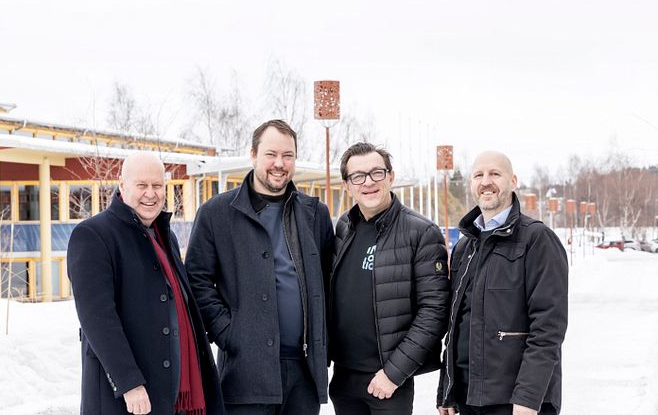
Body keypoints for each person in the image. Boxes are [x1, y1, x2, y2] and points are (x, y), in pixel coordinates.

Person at [185, 119, 335, 415]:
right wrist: (229, 333)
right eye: (271, 154)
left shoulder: (314, 214)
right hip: (244, 374)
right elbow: (196, 282)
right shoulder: (216, 214)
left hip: (303, 372)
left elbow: (330, 283)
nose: (279, 164)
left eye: (288, 155)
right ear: (253, 155)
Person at [67, 152, 224, 415]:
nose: (150, 194)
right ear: (122, 186)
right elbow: (98, 319)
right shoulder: (93, 235)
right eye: (142, 185)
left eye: (157, 185)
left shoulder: (166, 236)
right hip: (126, 399)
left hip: (172, 395)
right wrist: (130, 383)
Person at [436, 151, 568, 415]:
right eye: (478, 175)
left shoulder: (537, 239)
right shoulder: (465, 246)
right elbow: (456, 326)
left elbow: (548, 327)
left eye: (495, 174)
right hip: (467, 397)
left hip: (515, 402)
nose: (486, 181)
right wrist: (447, 390)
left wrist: (529, 397)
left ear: (513, 181)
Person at [329, 142, 450, 415]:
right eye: (358, 176)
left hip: (387, 383)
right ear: (347, 185)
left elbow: (434, 312)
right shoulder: (343, 228)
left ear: (391, 177)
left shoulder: (421, 233)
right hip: (344, 378)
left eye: (377, 173)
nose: (368, 182)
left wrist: (394, 374)